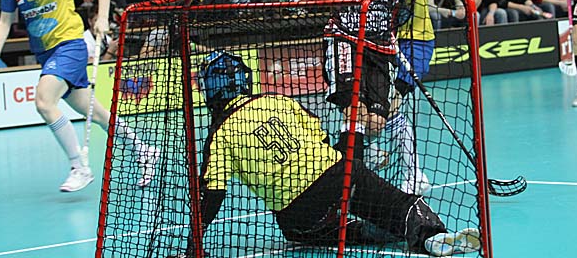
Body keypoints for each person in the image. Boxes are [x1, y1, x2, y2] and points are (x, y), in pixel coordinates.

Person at [172, 50, 480, 257]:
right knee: (401, 204)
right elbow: (319, 135)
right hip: (338, 175)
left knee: (303, 233)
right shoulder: (276, 100)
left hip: (297, 213)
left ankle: (368, 231)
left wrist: (194, 242)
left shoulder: (219, 134)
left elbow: (213, 193)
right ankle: (431, 236)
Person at [306, 0, 468, 195]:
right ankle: (344, 190)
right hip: (344, 44)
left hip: (381, 50)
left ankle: (344, 169)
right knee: (355, 112)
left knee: (376, 123)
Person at [0, 0, 159, 192]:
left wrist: (102, 18)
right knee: (96, 113)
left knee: (44, 102)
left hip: (69, 45)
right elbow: (5, 20)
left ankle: (79, 167)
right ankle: (144, 149)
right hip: (46, 53)